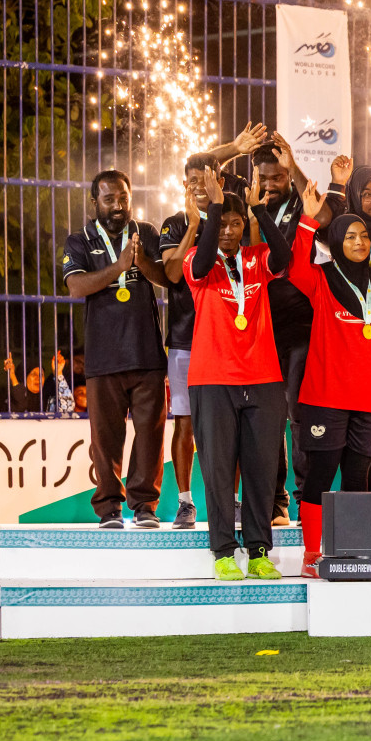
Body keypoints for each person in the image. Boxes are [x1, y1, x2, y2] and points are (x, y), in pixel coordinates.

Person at [289, 184, 371, 576]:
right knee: (321, 475)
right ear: (336, 242)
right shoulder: (320, 279)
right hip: (325, 396)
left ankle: (355, 550)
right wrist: (307, 218)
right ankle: (311, 554)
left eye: (364, 236)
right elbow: (294, 266)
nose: (359, 241)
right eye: (350, 236)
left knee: (359, 475)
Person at [185, 169, 292, 580]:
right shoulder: (201, 262)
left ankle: (259, 548)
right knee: (217, 468)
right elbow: (207, 250)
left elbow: (284, 257)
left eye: (235, 223)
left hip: (263, 378)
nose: (228, 231)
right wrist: (213, 207)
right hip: (213, 379)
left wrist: (258, 213)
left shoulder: (256, 259)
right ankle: (224, 551)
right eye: (222, 223)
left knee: (262, 469)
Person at [253, 137, 352, 528]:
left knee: (298, 413)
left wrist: (293, 165)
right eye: (266, 177)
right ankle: (275, 503)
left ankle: (300, 498)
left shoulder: (300, 201)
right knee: (266, 416)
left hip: (301, 323)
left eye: (278, 176)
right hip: (259, 324)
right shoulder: (249, 208)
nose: (272, 183)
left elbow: (326, 217)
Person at [62, 170, 169, 527]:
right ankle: (109, 508)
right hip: (103, 357)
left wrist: (141, 263)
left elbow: (167, 278)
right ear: (95, 203)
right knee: (105, 438)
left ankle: (144, 507)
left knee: (150, 435)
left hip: (146, 354)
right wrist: (119, 266)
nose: (118, 206)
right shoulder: (79, 241)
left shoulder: (147, 233)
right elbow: (77, 287)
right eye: (109, 199)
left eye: (123, 198)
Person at [160, 153, 216, 528]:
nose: (197, 186)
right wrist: (194, 226)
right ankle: (184, 503)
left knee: (231, 426)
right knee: (186, 423)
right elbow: (171, 274)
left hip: (225, 340)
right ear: (184, 184)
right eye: (191, 180)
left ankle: (232, 500)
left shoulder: (231, 220)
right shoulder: (173, 224)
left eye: (204, 179)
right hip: (184, 340)